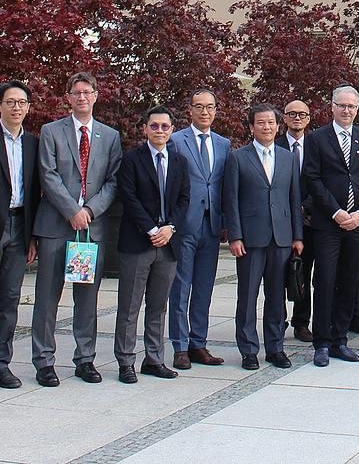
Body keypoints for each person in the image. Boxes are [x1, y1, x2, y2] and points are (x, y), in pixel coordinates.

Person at [32, 72, 122, 387]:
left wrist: (89, 210)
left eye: (87, 92)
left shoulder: (109, 136)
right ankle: (44, 361)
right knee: (47, 297)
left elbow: (113, 181)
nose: (82, 97)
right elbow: (48, 174)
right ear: (68, 97)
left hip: (90, 230)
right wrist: (72, 210)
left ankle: (85, 360)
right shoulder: (51, 131)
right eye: (76, 93)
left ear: (96, 96)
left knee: (87, 299)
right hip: (57, 226)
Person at [224, 104, 304, 370]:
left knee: (276, 297)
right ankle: (248, 349)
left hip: (281, 238)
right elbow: (231, 200)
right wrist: (234, 236)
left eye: (271, 123)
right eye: (261, 123)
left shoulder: (287, 157)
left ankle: (275, 347)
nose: (267, 127)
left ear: (277, 126)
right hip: (250, 239)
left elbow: (294, 200)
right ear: (251, 127)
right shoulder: (238, 158)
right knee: (247, 297)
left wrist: (297, 236)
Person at [114, 106, 190, 384]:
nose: (160, 131)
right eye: (154, 126)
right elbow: (129, 198)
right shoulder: (132, 159)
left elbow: (184, 199)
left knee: (158, 306)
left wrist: (170, 228)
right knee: (130, 306)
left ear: (172, 130)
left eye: (165, 126)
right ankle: (125, 361)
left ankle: (154, 359)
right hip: (138, 242)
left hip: (168, 244)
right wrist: (151, 228)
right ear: (144, 128)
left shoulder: (180, 161)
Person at [304, 85, 359, 365]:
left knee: (349, 281)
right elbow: (313, 179)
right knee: (324, 281)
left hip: (356, 224)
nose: (346, 111)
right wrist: (335, 212)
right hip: (328, 224)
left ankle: (340, 340)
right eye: (342, 106)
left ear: (357, 109)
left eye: (351, 107)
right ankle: (321, 343)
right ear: (332, 107)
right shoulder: (317, 138)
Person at [170, 88, 230, 370]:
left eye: (210, 107)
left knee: (204, 287)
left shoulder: (223, 144)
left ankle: (198, 343)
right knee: (181, 287)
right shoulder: (176, 140)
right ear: (190, 110)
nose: (205, 112)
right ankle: (180, 346)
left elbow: (223, 185)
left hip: (212, 225)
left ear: (216, 110)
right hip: (184, 224)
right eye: (199, 107)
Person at [0, 81, 40, 389]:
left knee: (10, 299)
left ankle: (2, 363)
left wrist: (32, 237)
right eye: (11, 101)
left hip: (19, 228)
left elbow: (35, 192)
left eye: (22, 102)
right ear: (1, 105)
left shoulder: (32, 143)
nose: (17, 107)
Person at [276, 99, 315, 342]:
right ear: (285, 119)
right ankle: (277, 320)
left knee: (304, 273)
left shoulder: (317, 146)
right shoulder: (275, 145)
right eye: (292, 114)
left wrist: (304, 206)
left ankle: (301, 322)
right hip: (279, 219)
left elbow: (321, 180)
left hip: (309, 220)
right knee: (277, 274)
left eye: (302, 114)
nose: (297, 118)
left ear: (309, 118)